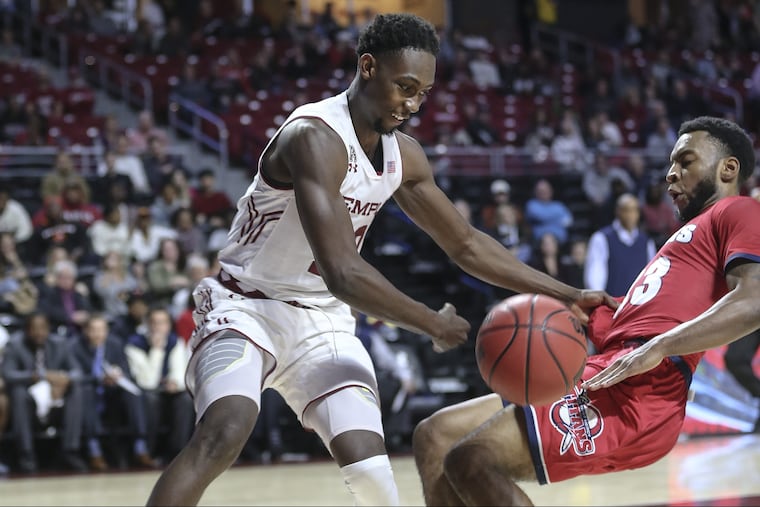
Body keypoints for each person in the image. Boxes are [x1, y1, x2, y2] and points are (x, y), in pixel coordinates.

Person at [145, 14, 613, 506]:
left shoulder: (403, 157)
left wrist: (568, 293)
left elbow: (467, 245)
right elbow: (344, 272)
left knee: (372, 473)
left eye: (422, 94)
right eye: (403, 87)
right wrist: (431, 323)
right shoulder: (314, 136)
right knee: (224, 431)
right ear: (368, 66)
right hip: (244, 309)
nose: (411, 105)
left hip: (322, 321)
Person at [413, 116, 760, 506]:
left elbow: (753, 300)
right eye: (670, 163)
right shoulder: (686, 237)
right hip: (612, 370)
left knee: (471, 459)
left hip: (642, 393)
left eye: (686, 161)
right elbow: (639, 327)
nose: (670, 174)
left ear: (728, 168)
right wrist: (584, 308)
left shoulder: (740, 211)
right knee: (435, 435)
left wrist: (661, 346)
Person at [584, 193, 656, 297]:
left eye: (634, 210)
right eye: (626, 210)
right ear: (618, 211)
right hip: (611, 303)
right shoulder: (602, 238)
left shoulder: (646, 241)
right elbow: (595, 273)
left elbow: (651, 275)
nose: (631, 215)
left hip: (637, 304)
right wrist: (599, 300)